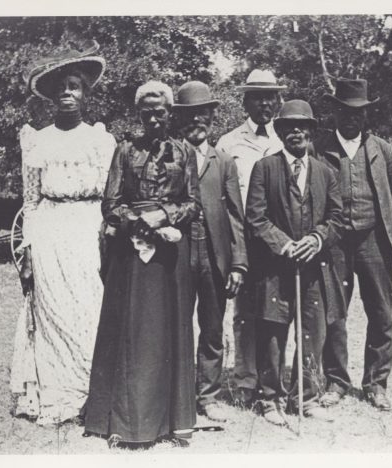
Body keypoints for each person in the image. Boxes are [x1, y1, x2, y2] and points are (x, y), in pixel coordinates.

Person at [84, 80, 201, 448]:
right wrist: (139, 223)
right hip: (130, 256)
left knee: (167, 331)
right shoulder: (124, 151)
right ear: (139, 114)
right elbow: (111, 202)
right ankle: (124, 422)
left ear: (170, 114)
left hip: (169, 257)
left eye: (160, 112)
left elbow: (194, 203)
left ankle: (168, 422)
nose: (153, 118)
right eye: (147, 112)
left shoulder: (185, 152)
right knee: (130, 332)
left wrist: (164, 215)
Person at [10, 41, 117, 425]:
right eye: (62, 88)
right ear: (53, 97)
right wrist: (29, 249)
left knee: (87, 308)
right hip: (51, 230)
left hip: (88, 230)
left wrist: (108, 237)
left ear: (86, 93)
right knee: (53, 310)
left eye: (75, 86)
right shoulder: (38, 140)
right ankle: (56, 395)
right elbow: (32, 200)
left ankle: (90, 393)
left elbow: (110, 197)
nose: (68, 93)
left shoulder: (100, 140)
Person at [246, 99, 345, 426]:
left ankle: (306, 397)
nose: (296, 132)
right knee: (273, 333)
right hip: (275, 268)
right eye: (289, 127)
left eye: (303, 126)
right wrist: (285, 245)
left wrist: (316, 239)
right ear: (280, 131)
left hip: (314, 269)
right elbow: (256, 219)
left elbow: (337, 218)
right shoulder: (265, 168)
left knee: (312, 334)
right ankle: (269, 398)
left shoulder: (325, 172)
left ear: (312, 132)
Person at [315, 78, 392, 411]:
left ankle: (376, 383)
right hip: (334, 242)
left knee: (380, 313)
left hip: (373, 241)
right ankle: (336, 381)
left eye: (359, 112)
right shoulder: (319, 147)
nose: (352, 118)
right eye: (345, 111)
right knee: (334, 313)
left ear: (366, 115)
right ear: (335, 112)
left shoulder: (383, 149)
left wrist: (377, 226)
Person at [172, 81, 248, 423]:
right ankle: (177, 393)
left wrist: (238, 264)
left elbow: (235, 215)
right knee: (176, 324)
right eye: (189, 116)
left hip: (215, 255)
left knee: (212, 328)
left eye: (202, 115)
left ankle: (209, 395)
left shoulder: (225, 161)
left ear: (212, 118)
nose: (196, 122)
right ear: (180, 120)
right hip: (178, 254)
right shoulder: (169, 155)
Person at [215, 69, 285, 405]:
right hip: (242, 240)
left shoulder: (286, 140)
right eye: (257, 96)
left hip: (276, 242)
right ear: (245, 100)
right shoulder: (228, 143)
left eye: (270, 96)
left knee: (275, 312)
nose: (265, 103)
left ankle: (273, 380)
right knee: (243, 312)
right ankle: (244, 381)